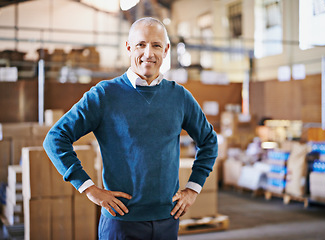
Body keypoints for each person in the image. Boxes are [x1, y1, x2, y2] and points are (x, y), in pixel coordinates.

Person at [43, 17, 218, 240]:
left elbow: (209, 141)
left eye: (156, 45)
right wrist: (89, 188)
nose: (148, 53)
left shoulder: (179, 97)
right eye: (141, 44)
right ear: (128, 47)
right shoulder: (104, 95)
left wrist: (193, 189)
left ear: (166, 50)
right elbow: (55, 138)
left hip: (168, 220)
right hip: (121, 223)